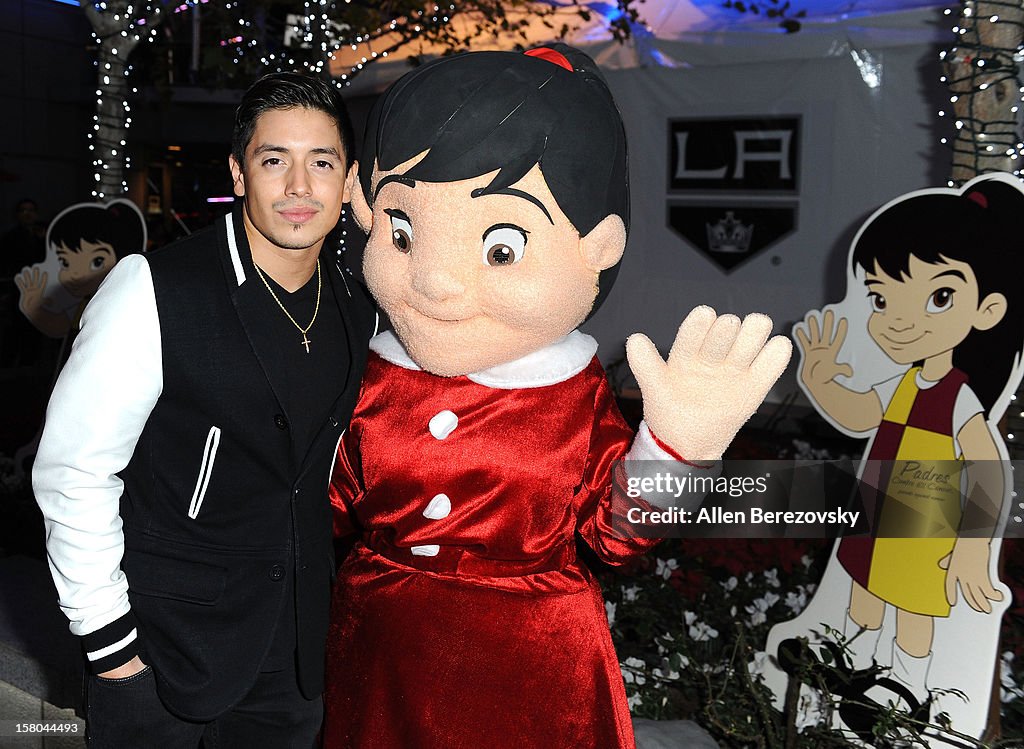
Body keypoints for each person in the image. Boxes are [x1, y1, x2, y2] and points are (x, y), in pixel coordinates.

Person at [322, 45, 791, 748]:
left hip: (529, 667)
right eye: (402, 231)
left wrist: (676, 446)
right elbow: (328, 502)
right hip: (383, 650)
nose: (435, 283)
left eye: (501, 247)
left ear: (596, 246)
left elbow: (612, 536)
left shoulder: (568, 396)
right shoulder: (372, 377)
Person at [32, 71, 376, 747]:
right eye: (274, 160)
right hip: (162, 658)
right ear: (239, 173)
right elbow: (72, 470)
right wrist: (109, 645)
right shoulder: (152, 287)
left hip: (294, 667)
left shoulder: (355, 309)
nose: (300, 187)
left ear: (350, 180)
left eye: (322, 162)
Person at [788, 173, 1022, 726]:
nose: (899, 318)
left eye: (939, 297)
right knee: (863, 603)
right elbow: (862, 414)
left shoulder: (959, 396)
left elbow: (988, 468)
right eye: (881, 297)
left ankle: (908, 699)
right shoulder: (906, 381)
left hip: (926, 530)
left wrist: (971, 547)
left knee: (914, 619)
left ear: (986, 311)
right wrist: (822, 383)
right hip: (877, 515)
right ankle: (856, 683)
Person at [15, 200, 146, 339]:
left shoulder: (123, 297)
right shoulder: (77, 301)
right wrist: (33, 308)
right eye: (65, 263)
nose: (75, 273)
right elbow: (60, 325)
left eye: (97, 261)